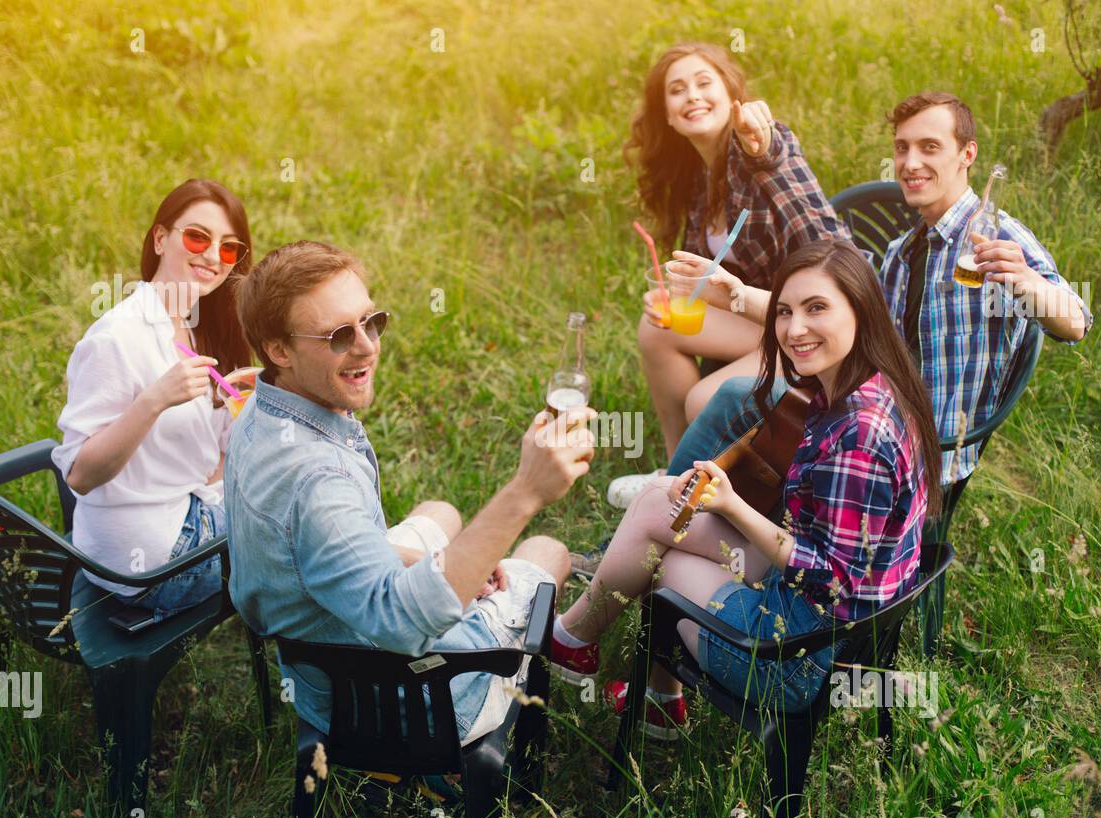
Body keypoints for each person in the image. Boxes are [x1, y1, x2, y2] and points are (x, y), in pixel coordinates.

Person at [549, 241, 941, 736]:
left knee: (662, 554)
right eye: (784, 312)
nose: (795, 329)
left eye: (816, 309)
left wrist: (733, 506)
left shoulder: (859, 439)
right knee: (659, 507)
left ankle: (595, 659)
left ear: (860, 310)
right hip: (837, 622)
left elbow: (832, 579)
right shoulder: (873, 382)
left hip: (797, 658)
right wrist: (735, 295)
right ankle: (583, 647)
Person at [224, 240, 594, 748]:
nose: (367, 346)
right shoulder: (319, 482)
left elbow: (293, 546)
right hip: (413, 702)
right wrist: (525, 492)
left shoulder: (257, 411)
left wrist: (420, 557)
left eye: (370, 321)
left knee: (439, 514)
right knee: (545, 553)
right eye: (338, 335)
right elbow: (403, 626)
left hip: (314, 674)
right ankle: (529, 678)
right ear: (279, 350)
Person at [651, 91, 1093, 506]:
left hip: (921, 451)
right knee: (740, 403)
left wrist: (1026, 282)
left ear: (967, 155)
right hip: (868, 415)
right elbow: (850, 324)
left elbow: (1075, 322)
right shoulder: (902, 252)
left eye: (929, 147)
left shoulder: (997, 237)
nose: (910, 162)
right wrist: (739, 295)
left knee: (740, 411)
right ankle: (677, 531)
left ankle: (666, 530)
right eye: (902, 148)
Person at [613, 41, 849, 506]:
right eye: (677, 90)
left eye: (704, 83)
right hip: (758, 317)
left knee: (705, 399)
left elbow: (827, 238)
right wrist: (679, 293)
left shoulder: (757, 148)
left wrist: (765, 149)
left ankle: (702, 496)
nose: (692, 96)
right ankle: (672, 471)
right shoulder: (698, 179)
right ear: (667, 114)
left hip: (806, 325)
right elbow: (716, 278)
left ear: (731, 94)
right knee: (656, 328)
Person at [52, 178, 253, 620]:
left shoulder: (198, 326)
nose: (212, 256)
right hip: (147, 566)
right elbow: (80, 475)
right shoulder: (118, 337)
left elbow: (208, 463)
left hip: (175, 512)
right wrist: (154, 399)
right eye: (198, 236)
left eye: (228, 247)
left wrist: (243, 412)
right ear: (161, 238)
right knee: (300, 534)